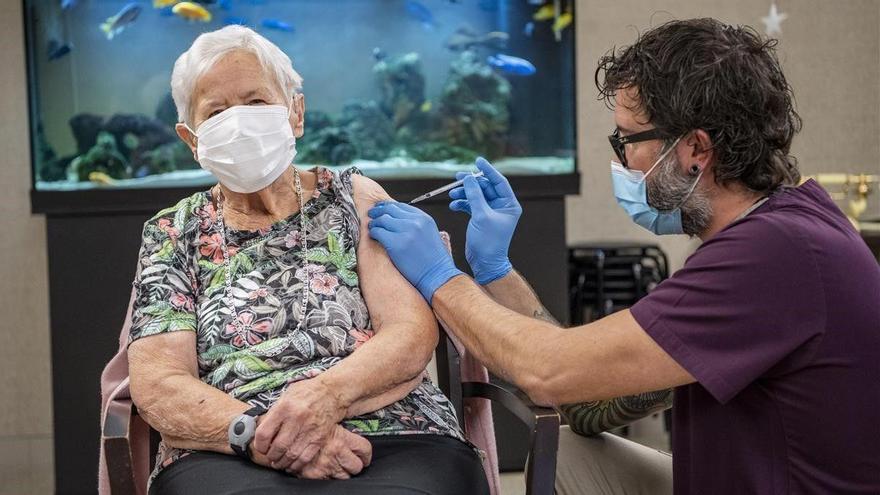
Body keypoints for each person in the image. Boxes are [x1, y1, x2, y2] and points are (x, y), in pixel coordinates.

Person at [367, 18, 880, 494]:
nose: (623, 160)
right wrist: (496, 271)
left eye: (627, 140)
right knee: (568, 454)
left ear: (695, 149)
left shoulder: (772, 258)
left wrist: (440, 278)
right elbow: (586, 402)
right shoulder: (779, 228)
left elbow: (547, 372)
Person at [126, 25, 487, 494]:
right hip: (231, 447)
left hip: (395, 431)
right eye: (216, 112)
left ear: (296, 112)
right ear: (191, 140)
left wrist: (322, 400)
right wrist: (264, 436)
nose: (238, 121)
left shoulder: (355, 198)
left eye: (256, 102)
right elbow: (159, 383)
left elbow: (410, 333)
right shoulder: (173, 233)